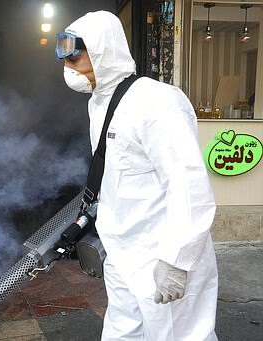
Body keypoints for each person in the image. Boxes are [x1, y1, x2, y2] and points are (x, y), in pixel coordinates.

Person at [56, 11, 218, 340]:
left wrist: (177, 260)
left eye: (75, 53)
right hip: (122, 252)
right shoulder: (98, 103)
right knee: (122, 333)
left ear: (102, 49)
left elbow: (189, 186)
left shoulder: (156, 102)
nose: (68, 63)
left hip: (163, 256)